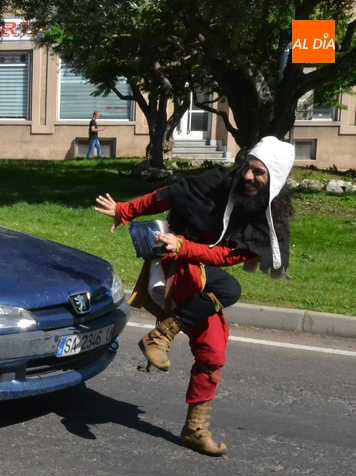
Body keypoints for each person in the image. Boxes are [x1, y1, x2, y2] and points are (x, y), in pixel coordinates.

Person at [94, 136, 295, 456]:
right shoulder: (216, 183)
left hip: (197, 260)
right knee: (228, 292)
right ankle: (160, 337)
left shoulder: (266, 213)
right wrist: (125, 210)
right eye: (248, 168)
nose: (248, 176)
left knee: (214, 349)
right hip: (178, 263)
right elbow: (168, 195)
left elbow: (228, 256)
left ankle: (193, 428)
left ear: (275, 180)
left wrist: (188, 248)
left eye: (260, 173)